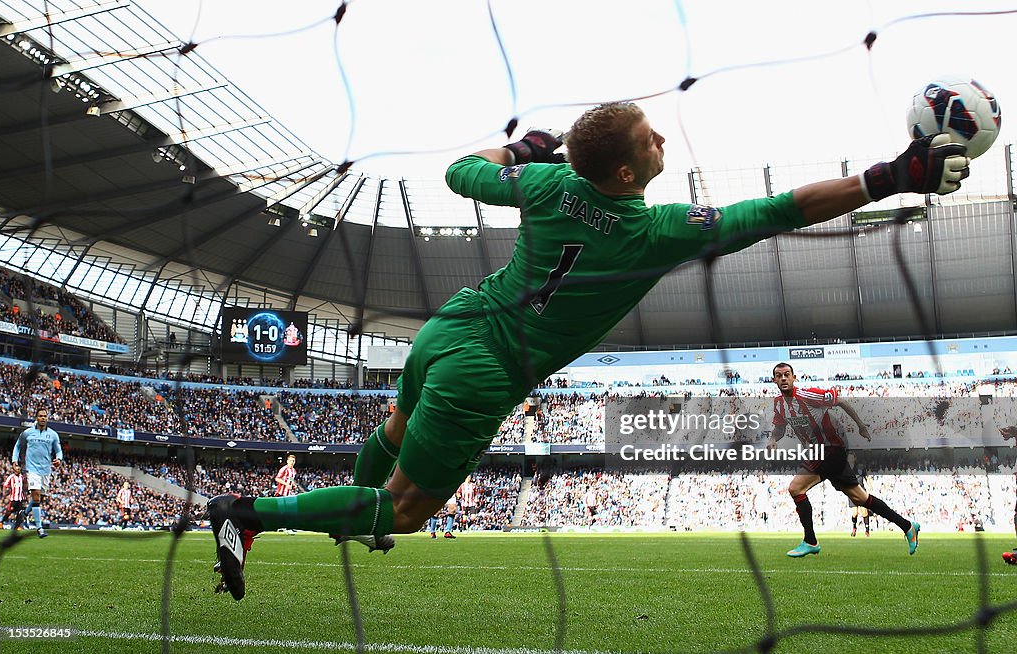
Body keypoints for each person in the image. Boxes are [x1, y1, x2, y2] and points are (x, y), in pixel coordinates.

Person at [208, 101, 969, 600]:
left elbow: (459, 171)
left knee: (395, 436)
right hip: (486, 371)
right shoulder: (655, 231)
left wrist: (522, 148)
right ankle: (249, 513)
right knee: (407, 513)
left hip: (453, 325)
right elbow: (777, 210)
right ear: (629, 173)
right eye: (650, 137)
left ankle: (356, 521)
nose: (663, 137)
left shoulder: (542, 183)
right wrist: (889, 178)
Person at [766, 363, 918, 557]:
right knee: (860, 498)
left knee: (796, 488)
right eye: (779, 376)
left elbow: (840, 401)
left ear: (794, 377)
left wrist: (861, 426)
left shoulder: (808, 395)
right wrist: (772, 439)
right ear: (774, 380)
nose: (783, 378)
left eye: (787, 375)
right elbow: (779, 428)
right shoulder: (779, 404)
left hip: (829, 450)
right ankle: (908, 526)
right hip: (823, 453)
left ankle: (810, 541)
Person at [12, 407, 63, 538]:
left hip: (46, 470)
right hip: (32, 469)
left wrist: (59, 459)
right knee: (36, 496)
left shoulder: (53, 434)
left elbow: (58, 450)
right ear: (36, 417)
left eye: (45, 416)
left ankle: (24, 513)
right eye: (40, 416)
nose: (43, 418)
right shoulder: (28, 433)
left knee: (40, 498)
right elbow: (17, 446)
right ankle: (39, 528)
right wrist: (14, 461)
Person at [846, 453, 870, 537]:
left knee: (864, 512)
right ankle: (854, 528)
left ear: (855, 458)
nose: (850, 460)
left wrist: (870, 487)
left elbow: (867, 477)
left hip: (861, 491)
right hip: (851, 491)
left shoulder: (861, 467)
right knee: (855, 513)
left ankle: (867, 530)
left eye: (851, 458)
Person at [2, 462, 26, 530]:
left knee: (20, 513)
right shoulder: (11, 477)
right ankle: (2, 522)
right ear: (14, 470)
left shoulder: (22, 477)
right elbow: (5, 485)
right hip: (13, 498)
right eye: (16, 469)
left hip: (21, 498)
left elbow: (25, 485)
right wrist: (4, 494)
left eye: (18, 469)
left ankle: (17, 526)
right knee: (9, 511)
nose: (17, 471)